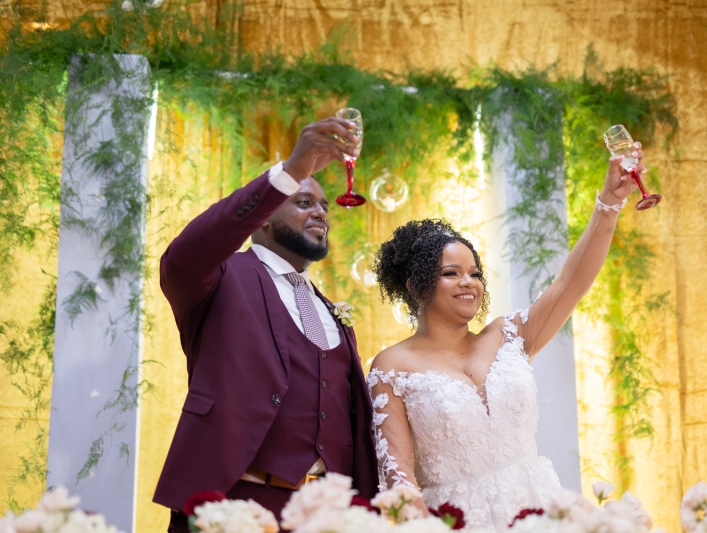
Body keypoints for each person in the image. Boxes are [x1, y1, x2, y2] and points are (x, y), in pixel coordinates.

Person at [368, 144, 644, 531]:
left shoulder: (507, 335)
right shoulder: (392, 367)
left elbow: (570, 283)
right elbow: (398, 480)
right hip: (454, 523)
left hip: (539, 514)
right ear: (416, 287)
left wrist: (609, 202)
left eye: (475, 273)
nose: (469, 282)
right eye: (452, 273)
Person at [152, 117, 379, 532]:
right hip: (238, 505)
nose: (321, 214)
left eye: (325, 207)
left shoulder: (330, 311)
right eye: (304, 201)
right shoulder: (219, 279)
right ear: (261, 217)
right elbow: (183, 256)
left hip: (327, 517)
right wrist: (292, 172)